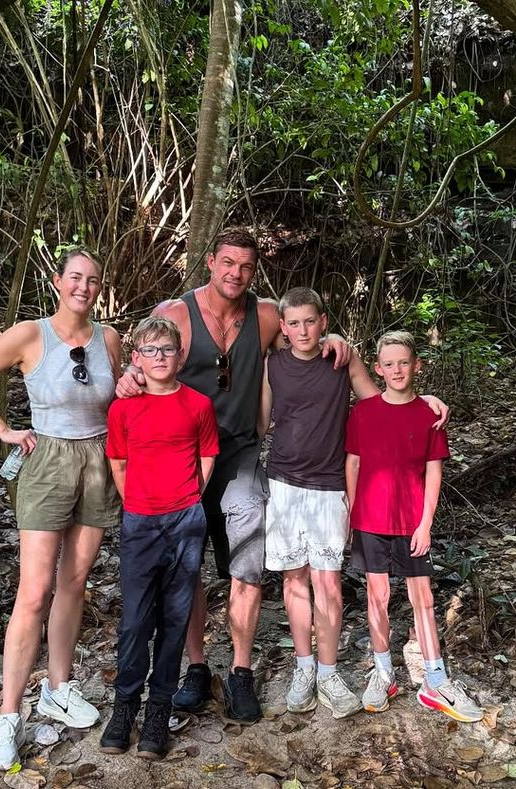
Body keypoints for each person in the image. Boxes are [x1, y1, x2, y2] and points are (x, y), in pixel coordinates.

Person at [115, 229, 361, 722]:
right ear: (209, 262)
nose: (236, 273)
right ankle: (198, 668)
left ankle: (242, 672)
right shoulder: (176, 313)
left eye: (246, 266)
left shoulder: (267, 315)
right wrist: (129, 376)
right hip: (182, 459)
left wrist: (336, 338)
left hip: (240, 455)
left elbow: (303, 333)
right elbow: (143, 358)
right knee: (188, 568)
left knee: (246, 565)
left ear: (255, 271)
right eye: (227, 262)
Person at [0, 249, 123, 770]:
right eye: (76, 277)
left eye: (93, 280)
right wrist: (4, 430)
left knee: (75, 583)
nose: (84, 287)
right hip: (46, 458)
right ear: (58, 281)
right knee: (34, 591)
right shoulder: (31, 334)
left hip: (97, 461)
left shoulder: (109, 338)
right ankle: (8, 716)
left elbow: (120, 402)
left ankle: (59, 686)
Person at [344, 331, 482, 722]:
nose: (397, 370)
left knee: (422, 597)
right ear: (378, 369)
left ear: (416, 365)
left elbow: (433, 474)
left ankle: (435, 680)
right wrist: (353, 517)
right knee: (378, 596)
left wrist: (426, 524)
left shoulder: (428, 414)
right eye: (389, 364)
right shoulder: (364, 412)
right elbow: (352, 464)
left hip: (411, 523)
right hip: (371, 520)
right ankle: (383, 671)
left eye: (403, 362)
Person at [257, 287, 380, 719]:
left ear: (323, 321)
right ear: (283, 328)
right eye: (293, 323)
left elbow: (378, 403)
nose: (303, 330)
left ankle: (328, 672)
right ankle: (304, 667)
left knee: (328, 582)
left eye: (310, 321)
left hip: (331, 485)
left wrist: (423, 404)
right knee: (295, 580)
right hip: (284, 483)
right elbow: (259, 421)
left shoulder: (341, 360)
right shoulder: (273, 365)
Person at [100, 317, 219, 760]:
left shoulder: (198, 404)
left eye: (167, 350)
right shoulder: (123, 408)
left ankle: (157, 712)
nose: (160, 358)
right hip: (140, 522)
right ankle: (124, 707)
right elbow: (118, 461)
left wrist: (189, 497)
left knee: (175, 620)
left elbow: (207, 455)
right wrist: (138, 503)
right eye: (150, 351)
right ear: (137, 359)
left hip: (185, 520)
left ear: (180, 355)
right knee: (135, 622)